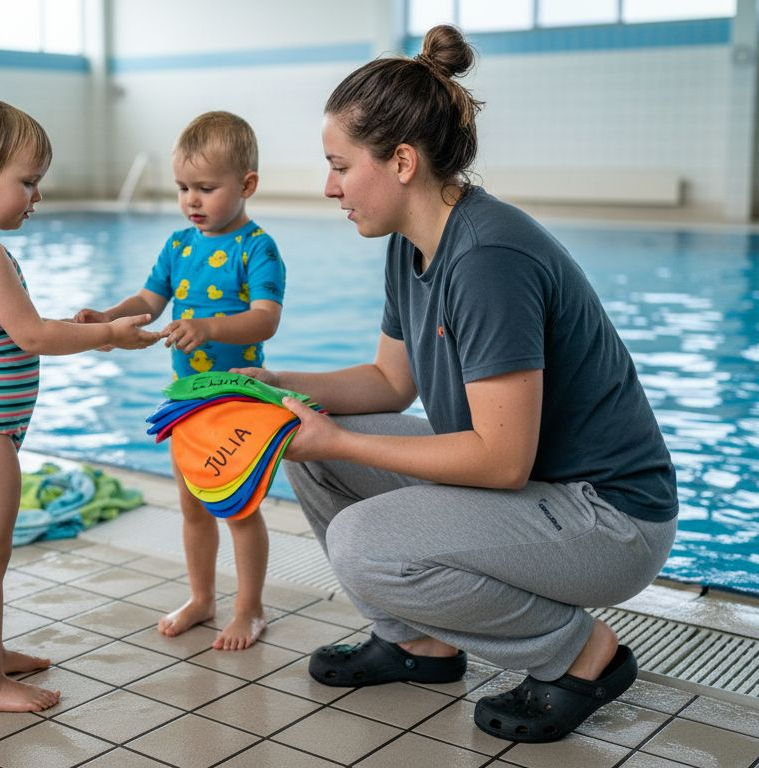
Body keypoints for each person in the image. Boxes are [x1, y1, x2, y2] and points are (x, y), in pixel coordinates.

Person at [232, 25, 678, 743]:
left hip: (609, 519)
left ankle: (582, 656)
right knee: (298, 441)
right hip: (537, 494)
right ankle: (419, 644)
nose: (329, 186)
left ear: (402, 161)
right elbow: (389, 381)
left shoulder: (487, 258)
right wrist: (271, 383)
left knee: (361, 543)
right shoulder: (414, 244)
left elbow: (502, 462)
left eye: (340, 165)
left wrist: (340, 436)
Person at [0, 97, 162, 712]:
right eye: (27, 182)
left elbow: (16, 327)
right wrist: (107, 334)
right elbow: (33, 338)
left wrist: (77, 323)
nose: (37, 197)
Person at [75, 111, 286, 650]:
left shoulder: (257, 248)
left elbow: (265, 318)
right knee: (192, 505)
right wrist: (108, 316)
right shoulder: (178, 247)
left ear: (247, 185)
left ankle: (250, 607)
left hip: (236, 399)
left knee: (238, 509)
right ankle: (202, 597)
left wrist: (209, 324)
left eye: (206, 188)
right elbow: (149, 301)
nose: (192, 200)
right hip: (186, 400)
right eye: (183, 188)